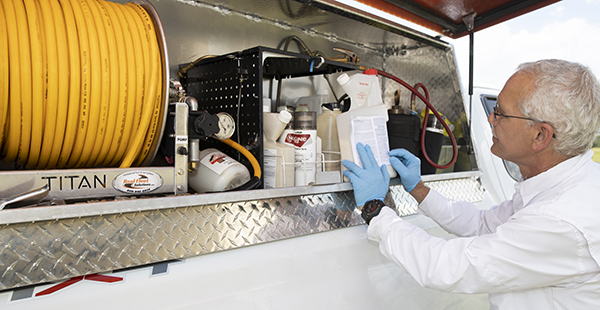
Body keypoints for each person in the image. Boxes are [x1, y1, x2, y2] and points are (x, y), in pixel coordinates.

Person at [342, 59, 600, 310]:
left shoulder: (560, 218)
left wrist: (374, 209)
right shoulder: (565, 184)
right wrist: (418, 189)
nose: (490, 119)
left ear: (540, 135)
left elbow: (448, 267)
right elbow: (483, 224)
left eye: (499, 112)